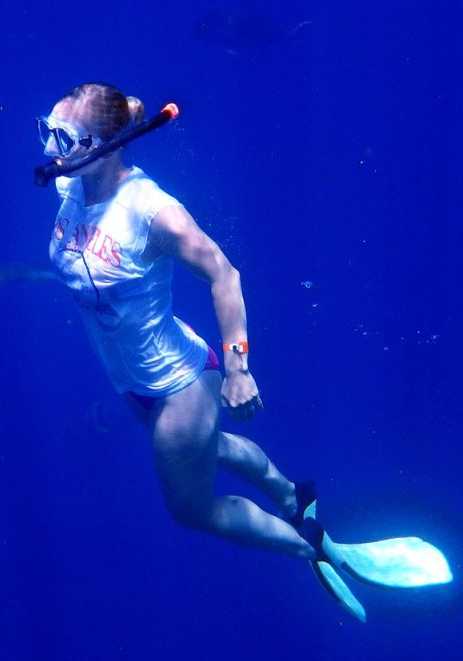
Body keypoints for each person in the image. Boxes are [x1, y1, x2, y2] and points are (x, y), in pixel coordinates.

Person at [39, 82, 320, 561]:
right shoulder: (72, 183)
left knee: (191, 511)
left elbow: (224, 275)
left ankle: (311, 550)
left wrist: (238, 371)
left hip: (178, 384)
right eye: (46, 131)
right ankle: (293, 494)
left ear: (104, 148)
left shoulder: (153, 213)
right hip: (132, 382)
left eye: (63, 137)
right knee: (214, 448)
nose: (49, 149)